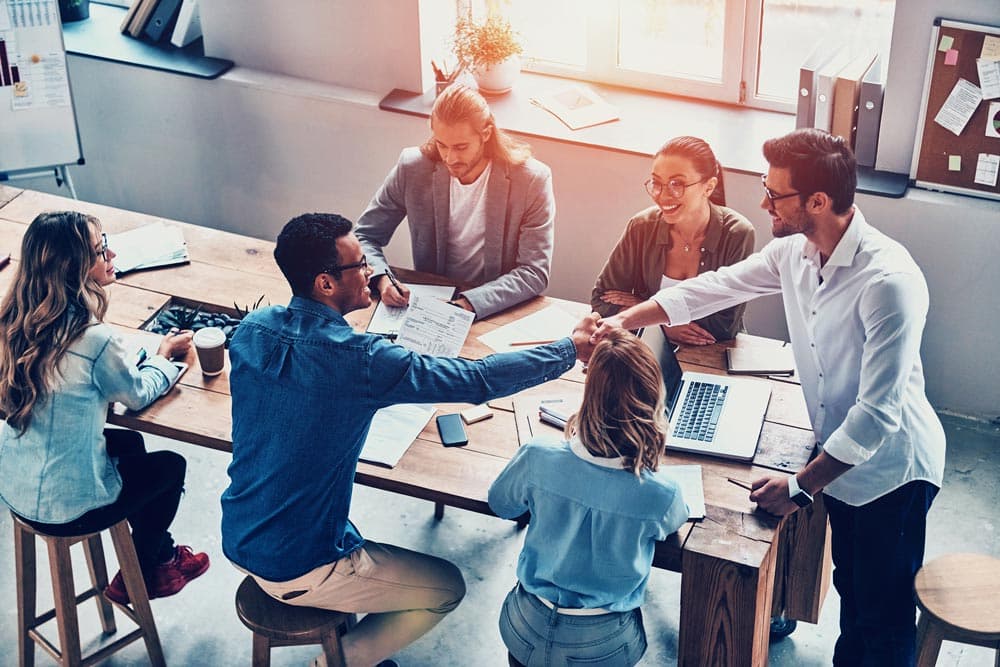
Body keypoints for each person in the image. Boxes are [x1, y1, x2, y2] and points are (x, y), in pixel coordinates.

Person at [592, 129, 945, 666]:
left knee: (880, 618)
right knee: (855, 589)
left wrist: (799, 489)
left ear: (818, 202)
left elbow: (876, 418)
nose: (762, 203)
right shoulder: (794, 253)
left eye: (774, 193)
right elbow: (709, 289)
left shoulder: (889, 282)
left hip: (892, 473)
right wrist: (623, 319)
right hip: (841, 461)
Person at [221, 213, 597, 667]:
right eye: (360, 266)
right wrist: (569, 349)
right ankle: (338, 663)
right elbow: (476, 379)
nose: (373, 274)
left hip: (239, 533)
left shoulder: (252, 330)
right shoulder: (359, 360)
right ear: (324, 283)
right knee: (446, 589)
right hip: (298, 564)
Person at [0, 211, 210, 605]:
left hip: (15, 486)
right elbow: (136, 394)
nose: (111, 253)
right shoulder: (93, 339)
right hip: (68, 507)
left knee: (129, 445)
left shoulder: (12, 320)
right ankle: (150, 567)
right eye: (100, 251)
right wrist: (166, 358)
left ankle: (154, 562)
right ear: (74, 269)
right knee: (170, 466)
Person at [489, 328, 688, 667]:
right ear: (654, 399)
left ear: (589, 392)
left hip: (525, 625)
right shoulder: (662, 493)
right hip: (603, 642)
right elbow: (671, 526)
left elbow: (501, 504)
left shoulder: (537, 456)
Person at [355, 84, 555, 319]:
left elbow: (534, 272)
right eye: (441, 145)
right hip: (428, 300)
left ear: (486, 134)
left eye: (461, 147)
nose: (450, 158)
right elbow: (364, 236)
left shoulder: (531, 180)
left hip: (494, 306)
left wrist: (467, 305)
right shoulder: (412, 168)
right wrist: (382, 279)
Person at [591, 136, 755, 345]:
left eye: (677, 184)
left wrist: (642, 308)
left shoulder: (737, 234)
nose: (662, 195)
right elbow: (602, 300)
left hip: (713, 354)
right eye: (657, 183)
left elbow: (723, 326)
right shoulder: (641, 226)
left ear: (708, 187)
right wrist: (664, 326)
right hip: (646, 348)